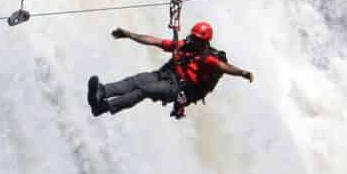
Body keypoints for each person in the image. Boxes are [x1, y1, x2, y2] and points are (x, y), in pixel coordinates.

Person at [88, 21, 254, 118]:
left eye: (197, 38)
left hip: (176, 88)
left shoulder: (208, 59)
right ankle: (101, 92)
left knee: (143, 90)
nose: (193, 39)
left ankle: (103, 107)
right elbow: (155, 41)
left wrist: (243, 73)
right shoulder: (183, 46)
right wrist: (129, 34)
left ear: (205, 41)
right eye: (193, 36)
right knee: (135, 81)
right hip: (163, 74)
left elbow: (224, 67)